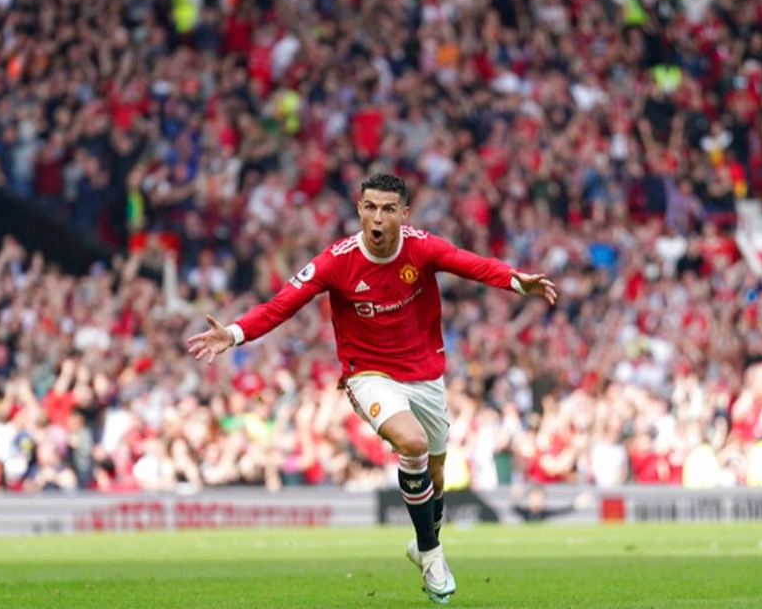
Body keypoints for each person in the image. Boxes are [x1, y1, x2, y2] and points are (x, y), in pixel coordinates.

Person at [186, 173, 557, 604]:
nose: (376, 217)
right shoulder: (335, 261)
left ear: (404, 213)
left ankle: (422, 544)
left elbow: (469, 263)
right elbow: (280, 306)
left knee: (437, 474)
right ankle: (434, 556)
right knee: (412, 443)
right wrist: (232, 334)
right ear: (359, 209)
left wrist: (516, 281)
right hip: (368, 375)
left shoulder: (422, 247)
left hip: (425, 375)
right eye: (369, 207)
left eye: (386, 209)